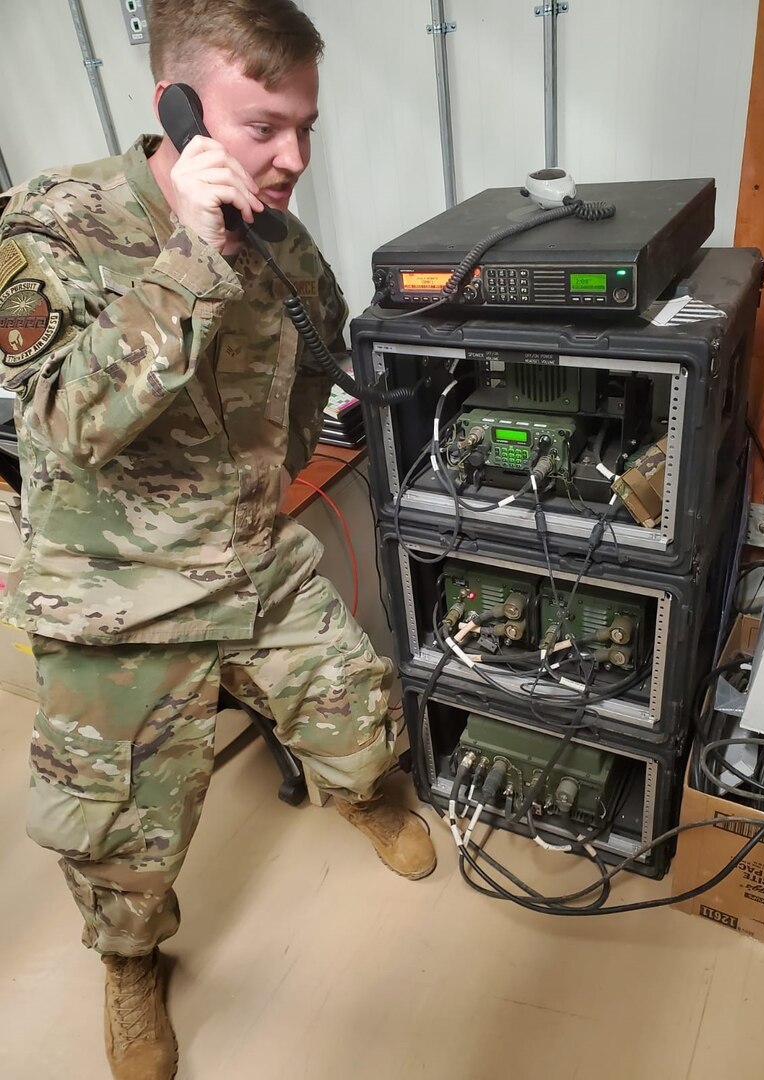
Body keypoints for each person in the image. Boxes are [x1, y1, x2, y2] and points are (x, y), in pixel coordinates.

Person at [0, 2, 435, 1077]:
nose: (292, 159)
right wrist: (191, 257)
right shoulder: (51, 224)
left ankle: (369, 798)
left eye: (308, 128)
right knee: (117, 842)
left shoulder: (281, 239)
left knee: (358, 722)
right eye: (262, 126)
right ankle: (132, 963)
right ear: (178, 107)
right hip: (118, 598)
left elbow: (330, 356)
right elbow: (61, 421)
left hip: (255, 560)